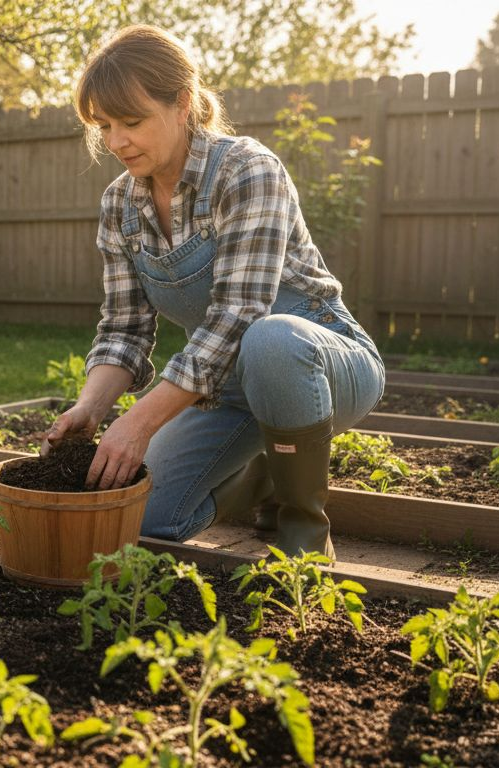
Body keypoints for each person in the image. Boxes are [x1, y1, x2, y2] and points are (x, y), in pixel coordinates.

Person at [41, 25, 385, 559]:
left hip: (321, 365)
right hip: (223, 389)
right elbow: (124, 329)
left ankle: (305, 535)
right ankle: (260, 478)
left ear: (182, 104)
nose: (115, 142)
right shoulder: (120, 204)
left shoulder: (247, 170)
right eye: (104, 126)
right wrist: (91, 407)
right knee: (142, 519)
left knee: (271, 338)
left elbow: (239, 314)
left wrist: (138, 422)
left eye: (131, 122)